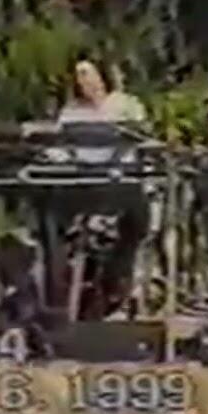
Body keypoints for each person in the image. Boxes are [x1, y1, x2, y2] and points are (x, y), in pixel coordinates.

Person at [49, 56, 150, 318]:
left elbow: (139, 139)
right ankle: (59, 286)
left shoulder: (127, 105)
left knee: (137, 220)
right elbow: (60, 146)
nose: (84, 81)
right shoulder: (71, 112)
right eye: (79, 75)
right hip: (83, 182)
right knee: (49, 212)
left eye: (88, 73)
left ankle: (118, 280)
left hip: (121, 180)